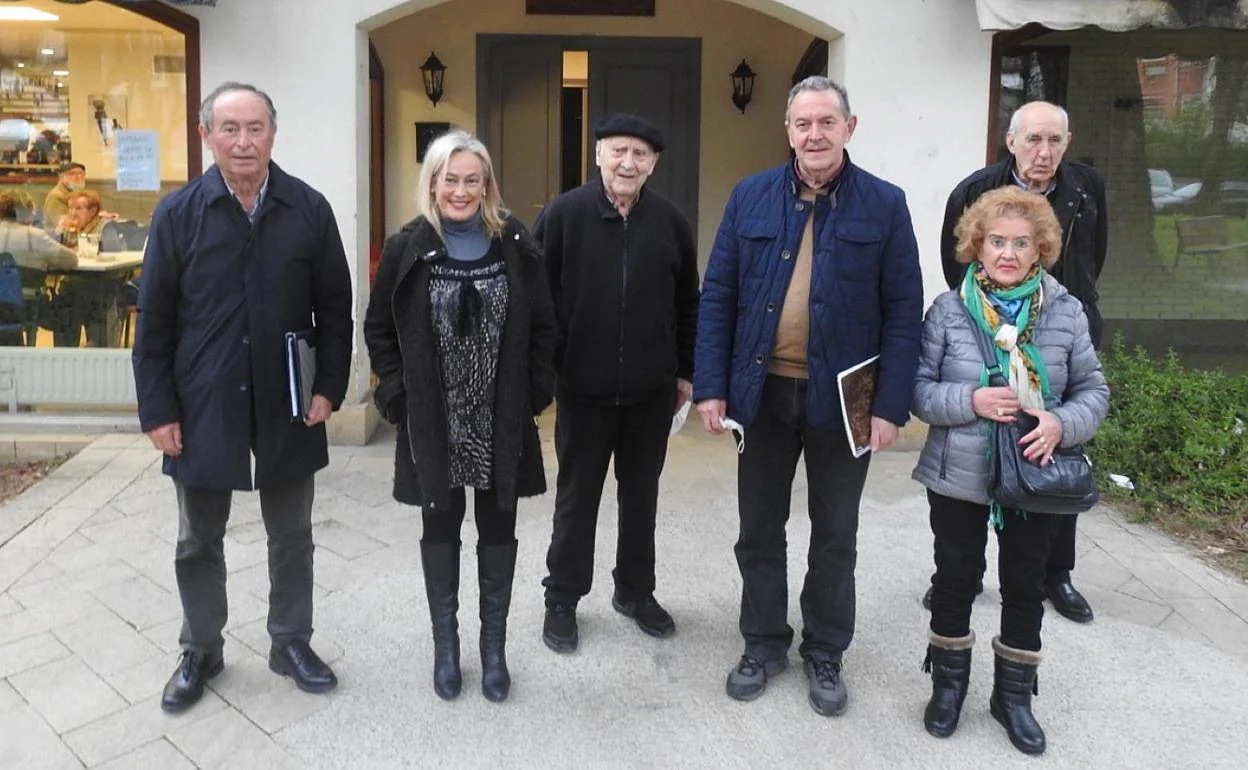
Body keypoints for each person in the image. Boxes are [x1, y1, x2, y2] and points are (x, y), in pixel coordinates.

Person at [694, 76, 923, 716]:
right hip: (761, 393)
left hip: (846, 398)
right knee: (759, 530)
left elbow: (904, 310)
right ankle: (763, 643)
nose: (814, 134)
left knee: (836, 534)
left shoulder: (884, 204)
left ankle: (825, 650)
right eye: (803, 123)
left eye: (827, 122)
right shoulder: (751, 197)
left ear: (850, 128)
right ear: (788, 130)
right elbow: (719, 297)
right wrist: (712, 385)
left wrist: (889, 406)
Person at [132, 82, 353, 714]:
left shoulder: (308, 209)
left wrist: (328, 387)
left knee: (293, 534)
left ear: (273, 134)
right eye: (229, 129)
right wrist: (158, 410)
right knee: (198, 538)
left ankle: (290, 642)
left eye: (255, 127)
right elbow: (155, 322)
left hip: (289, 398)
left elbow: (336, 308)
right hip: (202, 400)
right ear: (206, 136)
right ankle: (201, 648)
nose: (243, 141)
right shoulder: (178, 215)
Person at [912, 186, 1108, 755]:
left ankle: (1013, 698)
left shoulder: (1067, 311)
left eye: (1021, 243)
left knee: (1024, 585)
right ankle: (948, 689)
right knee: (954, 578)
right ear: (976, 245)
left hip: (1035, 473)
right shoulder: (947, 311)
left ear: (1040, 249)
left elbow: (1093, 390)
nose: (1008, 253)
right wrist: (970, 400)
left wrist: (1060, 423)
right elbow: (919, 392)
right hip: (959, 473)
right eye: (997, 241)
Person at [364, 129, 557, 703]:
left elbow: (545, 328)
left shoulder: (515, 244)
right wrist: (397, 396)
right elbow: (379, 330)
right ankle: (446, 650)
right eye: (451, 179)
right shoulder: (407, 247)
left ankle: (492, 652)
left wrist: (533, 395)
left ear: (487, 184)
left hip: (499, 417)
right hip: (435, 417)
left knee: (499, 528)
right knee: (440, 526)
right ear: (433, 182)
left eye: (473, 179)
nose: (462, 190)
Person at [926, 100, 1107, 624]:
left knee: (1055, 462)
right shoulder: (976, 191)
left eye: (1054, 141)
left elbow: (1093, 256)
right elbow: (952, 259)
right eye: (1032, 140)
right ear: (1011, 142)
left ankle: (1057, 574)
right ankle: (959, 577)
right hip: (984, 330)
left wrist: (1056, 309)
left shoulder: (1085, 187)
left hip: (1057, 328)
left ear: (1066, 144)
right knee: (971, 481)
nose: (1043, 152)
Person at [536, 113, 700, 653]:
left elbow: (687, 304)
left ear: (654, 164)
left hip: (650, 392)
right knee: (577, 497)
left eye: (640, 154)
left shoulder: (672, 223)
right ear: (598, 155)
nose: (628, 163)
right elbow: (538, 300)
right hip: (582, 388)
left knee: (642, 497)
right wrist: (548, 367)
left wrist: (684, 372)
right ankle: (561, 598)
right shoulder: (563, 216)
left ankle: (634, 591)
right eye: (618, 151)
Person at [0, 189, 78, 347]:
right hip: (24, 306)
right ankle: (66, 362)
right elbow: (71, 261)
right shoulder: (34, 236)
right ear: (26, 212)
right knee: (69, 309)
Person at [51, 189, 122, 348]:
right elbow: (53, 251)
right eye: (70, 208)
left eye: (78, 208)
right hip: (71, 285)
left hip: (97, 286)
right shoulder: (69, 228)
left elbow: (113, 255)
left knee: (98, 332)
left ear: (93, 211)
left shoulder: (105, 227)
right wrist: (58, 232)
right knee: (63, 307)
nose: (72, 213)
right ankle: (64, 355)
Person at [43, 161, 86, 231]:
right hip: (58, 238)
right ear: (61, 177)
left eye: (81, 173)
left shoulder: (80, 193)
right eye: (72, 174)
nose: (78, 177)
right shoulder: (56, 196)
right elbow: (64, 223)